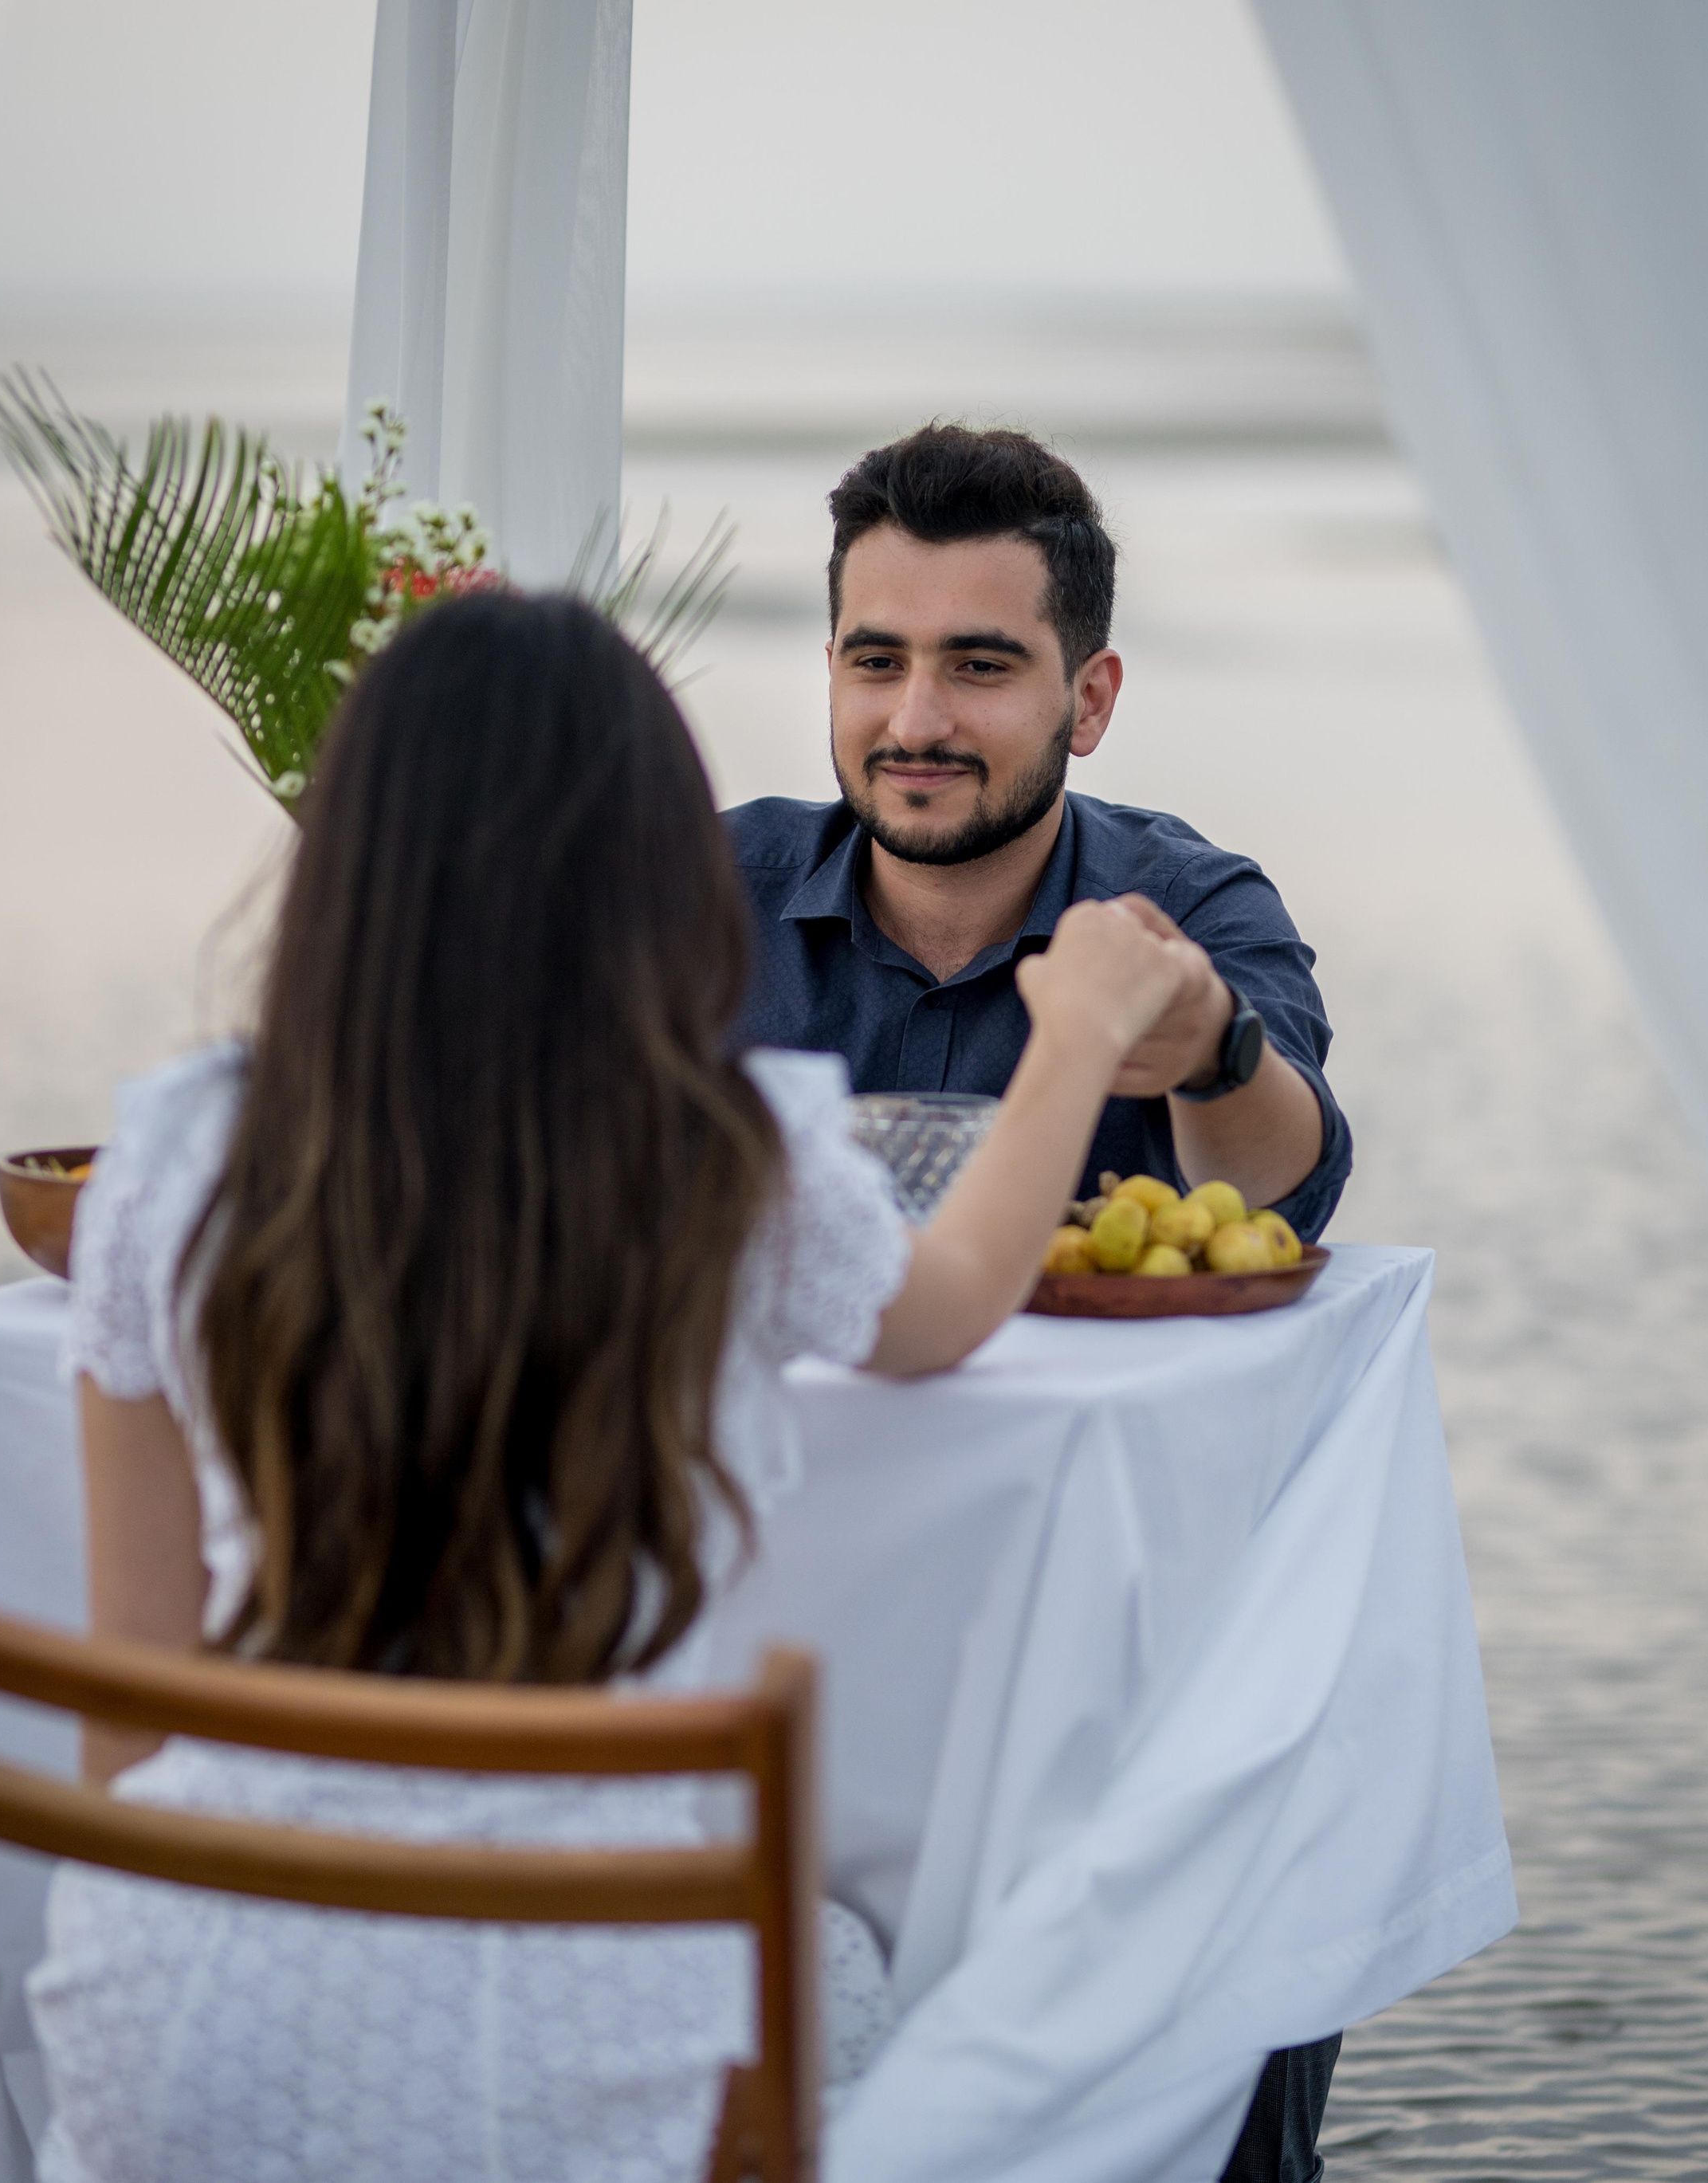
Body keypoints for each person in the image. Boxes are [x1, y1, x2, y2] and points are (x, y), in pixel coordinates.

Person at [28, 591, 1195, 2183]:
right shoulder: (724, 1145)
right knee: (923, 1985)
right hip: (597, 2005)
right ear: (651, 872)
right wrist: (1068, 1035)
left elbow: (130, 1728)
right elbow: (940, 1313)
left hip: (184, 2001)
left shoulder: (166, 1149)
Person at [724, 424, 1349, 2181]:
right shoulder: (694, 894)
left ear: (1088, 699)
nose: (913, 714)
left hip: (1105, 1676)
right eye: (873, 656)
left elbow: (1285, 1181)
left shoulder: (1193, 901)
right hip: (762, 1656)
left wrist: (1207, 1037)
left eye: (978, 665)